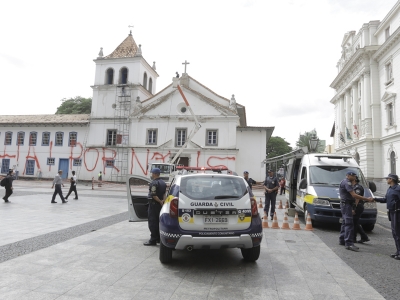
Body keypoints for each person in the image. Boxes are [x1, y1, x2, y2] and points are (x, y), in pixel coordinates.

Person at [339, 170, 373, 251]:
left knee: (345, 223)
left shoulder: (345, 182)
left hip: (346, 204)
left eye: (355, 176)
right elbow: (354, 195)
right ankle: (349, 243)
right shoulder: (347, 182)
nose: (354, 177)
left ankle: (342, 240)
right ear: (348, 175)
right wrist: (367, 199)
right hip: (347, 205)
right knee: (349, 224)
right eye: (353, 176)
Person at [374, 174, 400, 260]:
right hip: (392, 212)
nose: (386, 180)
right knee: (394, 232)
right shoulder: (390, 189)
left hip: (397, 213)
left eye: (387, 178)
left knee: (397, 233)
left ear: (391, 179)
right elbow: (385, 199)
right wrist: (375, 199)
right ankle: (398, 251)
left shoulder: (398, 189)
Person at [144, 168, 166, 246]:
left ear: (155, 174)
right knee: (158, 222)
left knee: (153, 222)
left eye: (152, 173)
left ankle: (153, 240)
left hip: (154, 205)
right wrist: (162, 201)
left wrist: (159, 201)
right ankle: (159, 239)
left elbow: (153, 195)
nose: (151, 174)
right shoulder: (163, 183)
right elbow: (164, 193)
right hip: (160, 206)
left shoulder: (154, 183)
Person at [352, 176, 369, 243]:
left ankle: (354, 238)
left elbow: (357, 198)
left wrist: (354, 208)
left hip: (358, 206)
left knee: (354, 223)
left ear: (355, 179)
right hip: (356, 206)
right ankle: (364, 237)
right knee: (355, 222)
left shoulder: (357, 187)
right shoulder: (353, 187)